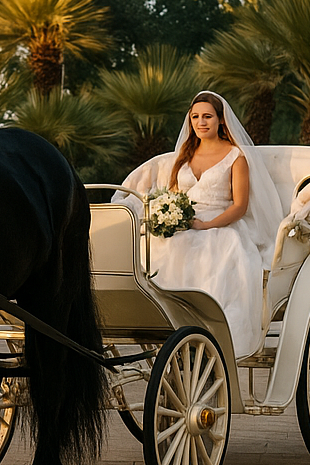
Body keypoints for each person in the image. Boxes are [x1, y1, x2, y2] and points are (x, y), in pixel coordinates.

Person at [116, 91, 273, 355]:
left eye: (208, 117)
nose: (201, 122)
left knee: (211, 252)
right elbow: (173, 195)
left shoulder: (236, 157)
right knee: (157, 247)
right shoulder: (184, 156)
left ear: (221, 121)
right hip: (185, 223)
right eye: (196, 117)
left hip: (221, 225)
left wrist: (208, 225)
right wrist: (170, 215)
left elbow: (239, 206)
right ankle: (166, 322)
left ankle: (207, 328)